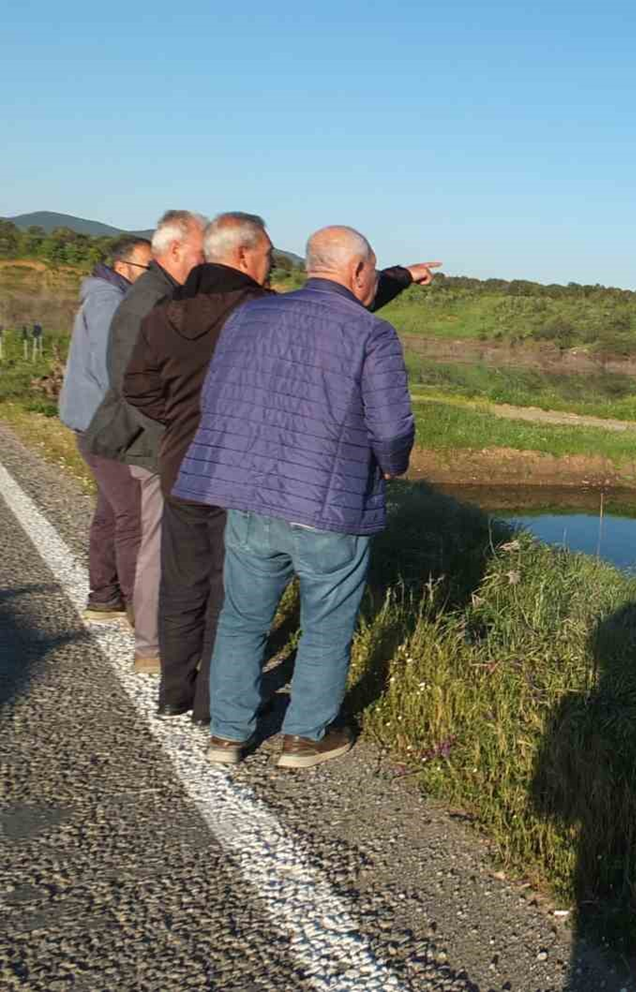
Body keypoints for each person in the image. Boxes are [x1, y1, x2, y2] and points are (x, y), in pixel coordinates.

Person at [124, 212, 436, 724]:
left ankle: (211, 718)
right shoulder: (354, 328)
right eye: (267, 254)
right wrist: (391, 465)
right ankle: (293, 731)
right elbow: (388, 421)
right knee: (313, 621)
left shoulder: (220, 314)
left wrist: (193, 428)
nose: (270, 263)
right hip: (311, 493)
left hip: (221, 477)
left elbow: (194, 394)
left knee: (223, 605)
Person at [84, 210, 206, 673]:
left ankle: (155, 634)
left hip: (154, 440)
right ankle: (152, 646)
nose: (206, 260)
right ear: (174, 249)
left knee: (152, 537)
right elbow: (131, 385)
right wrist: (172, 444)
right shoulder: (148, 301)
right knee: (156, 542)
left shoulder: (162, 293)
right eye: (200, 251)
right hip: (151, 445)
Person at [58, 235, 152, 623]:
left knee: (111, 511)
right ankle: (136, 608)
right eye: (148, 268)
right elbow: (114, 369)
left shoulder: (106, 297)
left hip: (94, 421)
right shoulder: (109, 302)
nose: (153, 275)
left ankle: (104, 595)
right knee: (134, 514)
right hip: (104, 424)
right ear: (123, 267)